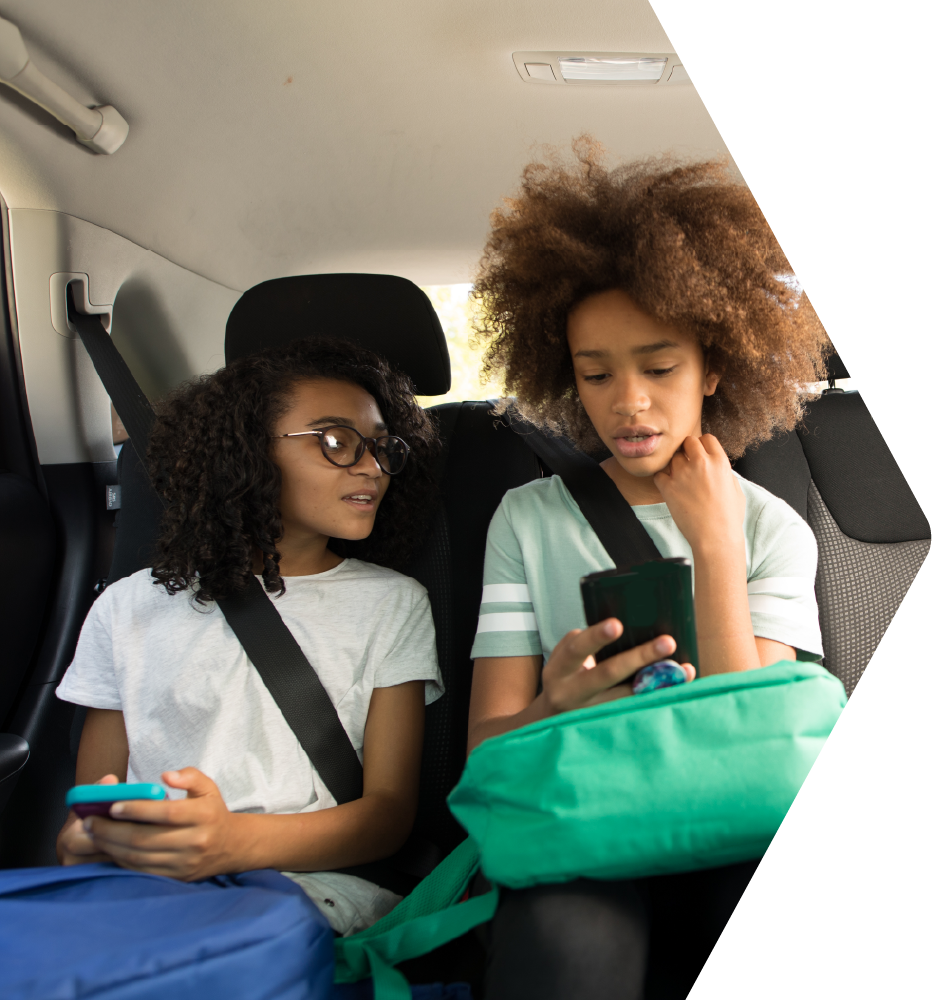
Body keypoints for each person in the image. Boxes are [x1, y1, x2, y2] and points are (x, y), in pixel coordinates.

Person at [466, 138, 832, 998]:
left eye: (660, 368)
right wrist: (553, 704)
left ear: (714, 366)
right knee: (565, 945)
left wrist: (714, 543)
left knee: (795, 921)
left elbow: (751, 746)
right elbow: (485, 753)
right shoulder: (526, 519)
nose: (628, 401)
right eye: (596, 375)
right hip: (584, 827)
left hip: (735, 829)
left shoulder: (774, 529)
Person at [55, 337, 444, 938]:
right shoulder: (127, 606)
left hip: (311, 886)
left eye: (382, 448)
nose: (371, 466)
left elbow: (387, 818)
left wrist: (231, 843)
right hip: (151, 887)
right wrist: (89, 841)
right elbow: (96, 799)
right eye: (337, 442)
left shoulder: (392, 604)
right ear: (247, 455)